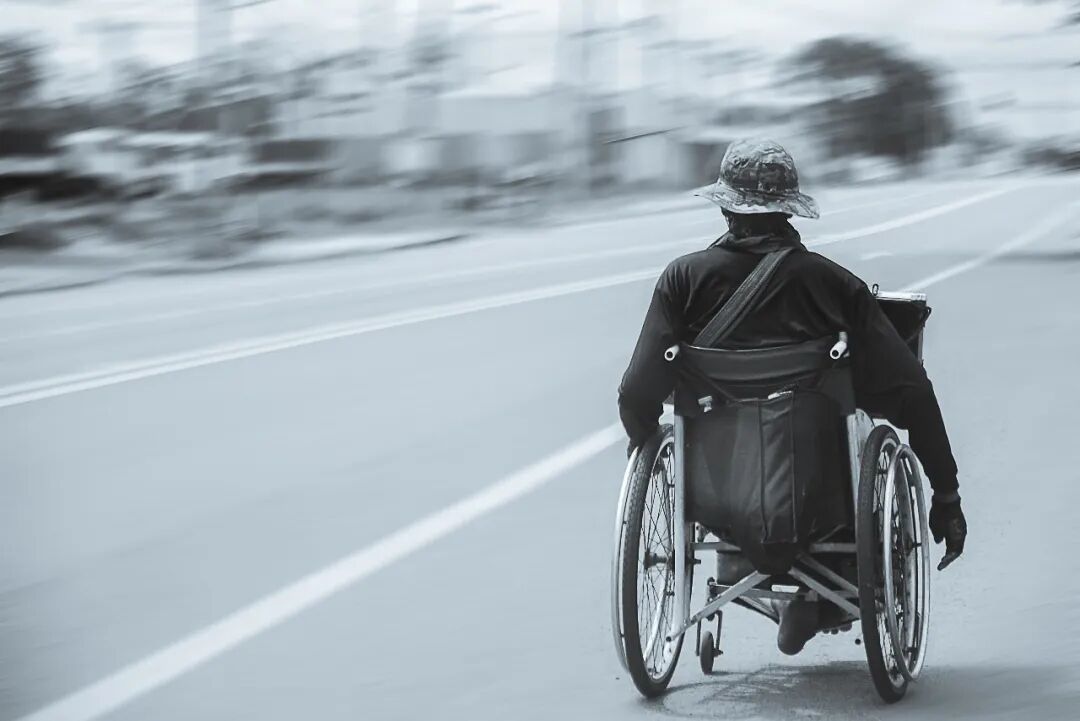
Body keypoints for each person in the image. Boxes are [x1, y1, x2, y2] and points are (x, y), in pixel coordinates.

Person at [617, 138, 968, 655]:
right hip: (819, 491)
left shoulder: (682, 280)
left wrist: (642, 439)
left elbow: (635, 392)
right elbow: (913, 390)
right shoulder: (833, 285)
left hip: (717, 494)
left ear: (725, 207)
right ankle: (818, 598)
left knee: (736, 468)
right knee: (854, 433)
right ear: (788, 210)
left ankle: (757, 578)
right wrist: (947, 497)